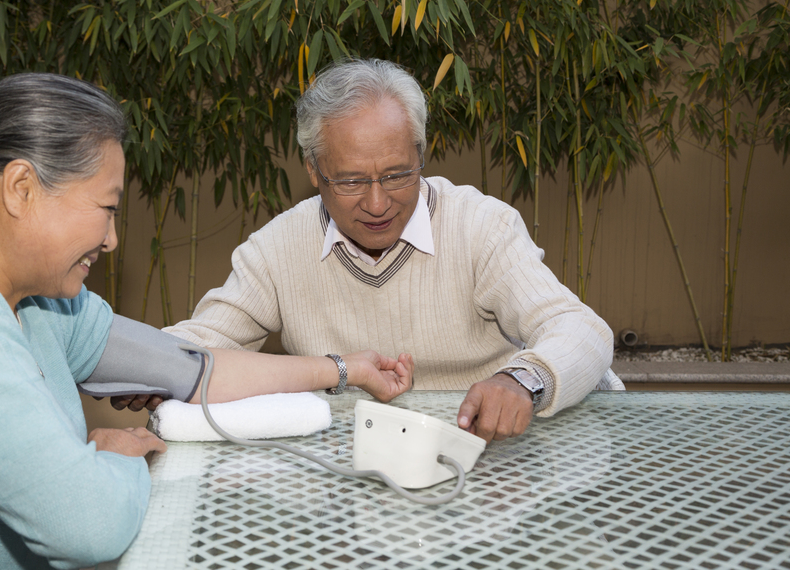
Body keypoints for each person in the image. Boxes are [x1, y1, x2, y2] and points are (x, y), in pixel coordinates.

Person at [0, 73, 413, 570]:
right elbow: (89, 528)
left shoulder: (35, 297)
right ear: (21, 188)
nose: (113, 240)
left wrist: (340, 368)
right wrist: (115, 456)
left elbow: (188, 371)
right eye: (106, 208)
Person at [165, 58, 616, 443]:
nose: (378, 203)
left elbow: (580, 329)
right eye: (351, 181)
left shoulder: (481, 226)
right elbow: (194, 350)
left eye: (398, 175)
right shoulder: (277, 249)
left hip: (499, 456)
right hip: (359, 470)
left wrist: (521, 380)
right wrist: (123, 356)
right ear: (314, 169)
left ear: (421, 152)